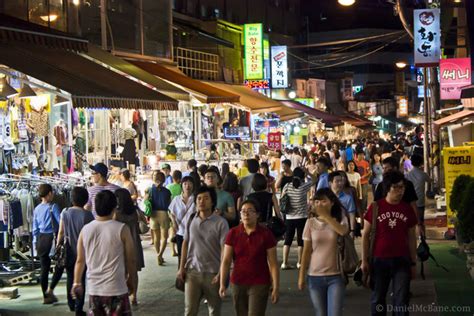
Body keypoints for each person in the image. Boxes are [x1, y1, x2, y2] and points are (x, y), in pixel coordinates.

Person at [72, 190, 137, 316]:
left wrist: (77, 282)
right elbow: (131, 260)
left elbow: (80, 260)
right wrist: (131, 280)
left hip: (94, 289)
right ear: (114, 207)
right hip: (117, 287)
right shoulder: (122, 229)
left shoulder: (85, 230)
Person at [361, 171, 417, 315]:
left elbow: (411, 236)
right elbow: (365, 235)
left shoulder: (407, 209)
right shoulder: (376, 207)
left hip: (402, 260)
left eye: (402, 187)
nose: (400, 191)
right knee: (378, 299)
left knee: (401, 300)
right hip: (379, 260)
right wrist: (364, 260)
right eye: (396, 187)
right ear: (387, 188)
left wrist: (413, 261)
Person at [219, 200, 280, 315]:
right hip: (238, 282)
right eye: (243, 211)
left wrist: (276, 287)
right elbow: (226, 260)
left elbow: (273, 263)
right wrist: (222, 283)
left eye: (250, 211)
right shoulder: (233, 233)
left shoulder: (266, 234)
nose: (246, 214)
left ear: (257, 214)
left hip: (260, 282)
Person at [177, 186, 229, 316]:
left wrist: (221, 274)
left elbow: (225, 250)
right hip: (192, 273)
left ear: (212, 202)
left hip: (213, 274)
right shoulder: (191, 220)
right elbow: (185, 243)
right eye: (199, 198)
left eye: (206, 198)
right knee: (189, 311)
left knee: (214, 311)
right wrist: (181, 267)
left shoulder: (221, 223)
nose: (201, 201)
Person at [298, 188, 349, 316]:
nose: (319, 204)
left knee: (335, 313)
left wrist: (326, 216)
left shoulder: (340, 218)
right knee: (320, 313)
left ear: (332, 202)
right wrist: (301, 275)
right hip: (314, 276)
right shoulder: (310, 223)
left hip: (336, 275)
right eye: (317, 201)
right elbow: (306, 250)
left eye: (323, 201)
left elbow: (343, 231)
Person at [56, 187, 94, 315]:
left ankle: (71, 304)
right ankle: (79, 307)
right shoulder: (88, 215)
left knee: (70, 277)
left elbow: (61, 232)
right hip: (83, 252)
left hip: (68, 251)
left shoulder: (65, 212)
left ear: (71, 199)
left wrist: (57, 245)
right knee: (81, 279)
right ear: (85, 199)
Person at [281, 167, 317, 270]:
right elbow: (315, 179)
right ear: (303, 176)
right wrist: (307, 172)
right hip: (302, 217)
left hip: (289, 217)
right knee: (301, 240)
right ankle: (299, 263)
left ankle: (284, 262)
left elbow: (283, 198)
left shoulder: (287, 186)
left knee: (288, 240)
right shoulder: (303, 186)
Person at [114, 188, 145, 305]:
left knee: (122, 271)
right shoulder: (135, 210)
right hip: (134, 242)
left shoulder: (116, 213)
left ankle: (124, 295)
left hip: (120, 244)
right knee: (133, 271)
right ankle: (134, 296)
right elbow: (144, 221)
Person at [32, 184, 62, 304]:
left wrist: (35, 241)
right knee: (60, 265)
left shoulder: (37, 209)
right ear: (49, 194)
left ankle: (45, 296)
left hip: (41, 239)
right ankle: (51, 289)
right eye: (52, 193)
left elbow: (35, 228)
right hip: (52, 238)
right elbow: (61, 222)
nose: (53, 195)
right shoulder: (53, 207)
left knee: (44, 269)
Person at [145, 171, 172, 265]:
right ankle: (160, 255)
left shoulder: (150, 190)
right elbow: (169, 204)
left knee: (156, 237)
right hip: (164, 214)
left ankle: (158, 254)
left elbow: (146, 201)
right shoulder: (167, 191)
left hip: (153, 215)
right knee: (165, 237)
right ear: (164, 180)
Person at [169, 176, 195, 265]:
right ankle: (181, 274)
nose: (187, 186)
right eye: (185, 184)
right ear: (182, 185)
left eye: (190, 183)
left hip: (194, 232)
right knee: (181, 256)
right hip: (180, 232)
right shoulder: (176, 199)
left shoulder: (196, 199)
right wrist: (174, 222)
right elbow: (171, 213)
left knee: (192, 255)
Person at [406, 154, 430, 237]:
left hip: (409, 201)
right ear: (421, 163)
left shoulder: (408, 175)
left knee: (410, 220)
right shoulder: (423, 174)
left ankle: (411, 236)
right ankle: (422, 237)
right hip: (420, 200)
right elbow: (430, 180)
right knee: (420, 220)